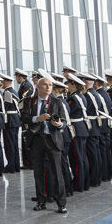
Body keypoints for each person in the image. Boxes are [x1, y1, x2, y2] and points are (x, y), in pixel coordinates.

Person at [26, 75, 68, 213]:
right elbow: (23, 117)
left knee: (57, 172)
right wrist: (38, 118)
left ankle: (61, 203)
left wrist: (59, 124)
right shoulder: (30, 101)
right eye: (45, 85)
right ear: (38, 87)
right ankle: (41, 201)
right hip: (37, 139)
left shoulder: (56, 102)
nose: (49, 87)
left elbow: (64, 121)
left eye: (50, 85)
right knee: (38, 172)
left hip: (52, 139)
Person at [0, 72, 22, 173]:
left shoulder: (7, 93)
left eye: (3, 81)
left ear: (6, 82)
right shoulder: (14, 91)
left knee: (9, 144)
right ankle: (16, 165)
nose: (1, 83)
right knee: (14, 143)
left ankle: (11, 166)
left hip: (10, 120)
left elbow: (5, 107)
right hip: (15, 119)